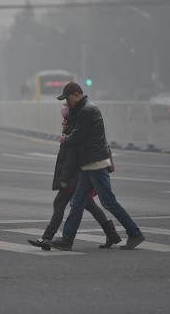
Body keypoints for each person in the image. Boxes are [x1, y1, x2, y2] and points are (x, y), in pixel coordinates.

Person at [44, 82, 145, 251]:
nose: (68, 103)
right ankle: (67, 240)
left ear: (76, 94)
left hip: (95, 163)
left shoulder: (88, 110)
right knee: (77, 203)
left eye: (68, 99)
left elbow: (78, 136)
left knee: (109, 202)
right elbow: (77, 130)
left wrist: (66, 139)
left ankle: (135, 233)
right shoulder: (83, 109)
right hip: (87, 164)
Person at [28, 105, 121, 250]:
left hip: (75, 177)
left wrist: (64, 179)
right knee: (90, 205)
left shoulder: (73, 132)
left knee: (60, 203)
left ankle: (46, 238)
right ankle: (112, 234)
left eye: (65, 119)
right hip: (79, 176)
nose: (62, 122)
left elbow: (70, 159)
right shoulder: (74, 129)